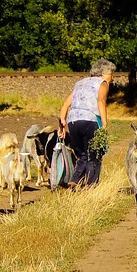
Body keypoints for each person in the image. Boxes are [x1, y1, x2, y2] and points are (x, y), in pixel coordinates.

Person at [58, 58, 114, 186]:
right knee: (94, 156)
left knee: (82, 155)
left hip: (73, 121)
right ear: (103, 74)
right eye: (111, 74)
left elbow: (66, 104)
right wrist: (104, 124)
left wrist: (61, 125)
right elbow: (101, 101)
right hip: (90, 120)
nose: (112, 78)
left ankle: (75, 180)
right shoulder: (102, 83)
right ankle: (91, 186)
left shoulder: (80, 83)